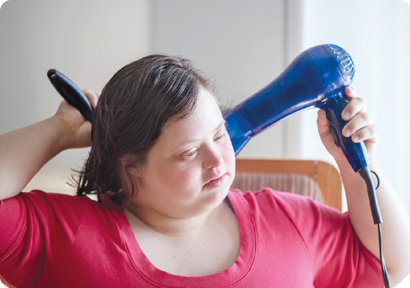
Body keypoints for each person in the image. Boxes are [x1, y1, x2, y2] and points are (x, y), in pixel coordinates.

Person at [0, 54, 409, 288]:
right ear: (130, 167)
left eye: (220, 135)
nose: (219, 161)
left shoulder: (288, 222)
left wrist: (353, 164)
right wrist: (60, 130)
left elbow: (393, 260)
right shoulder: (65, 236)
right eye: (189, 152)